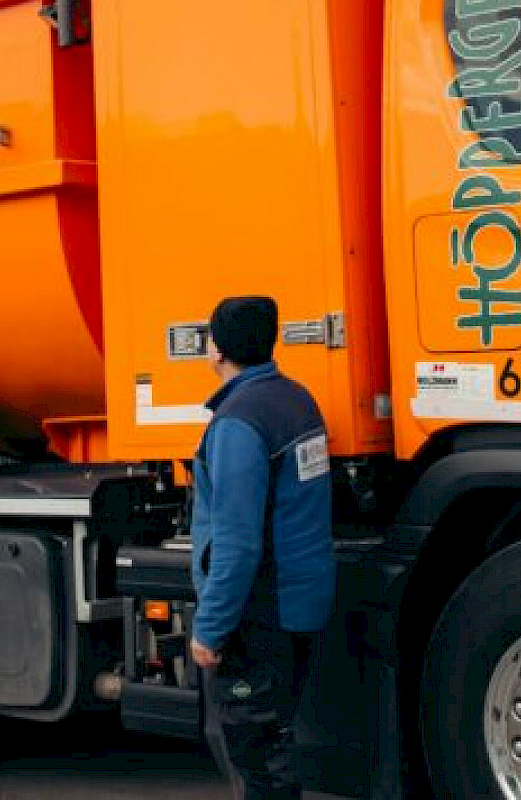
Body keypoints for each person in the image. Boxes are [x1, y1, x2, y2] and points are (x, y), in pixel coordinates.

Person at [187, 295, 336, 800]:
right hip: (299, 603)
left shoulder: (237, 422)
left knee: (257, 758)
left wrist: (210, 627)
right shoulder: (299, 400)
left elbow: (237, 543)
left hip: (259, 614)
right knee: (277, 742)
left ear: (217, 349)